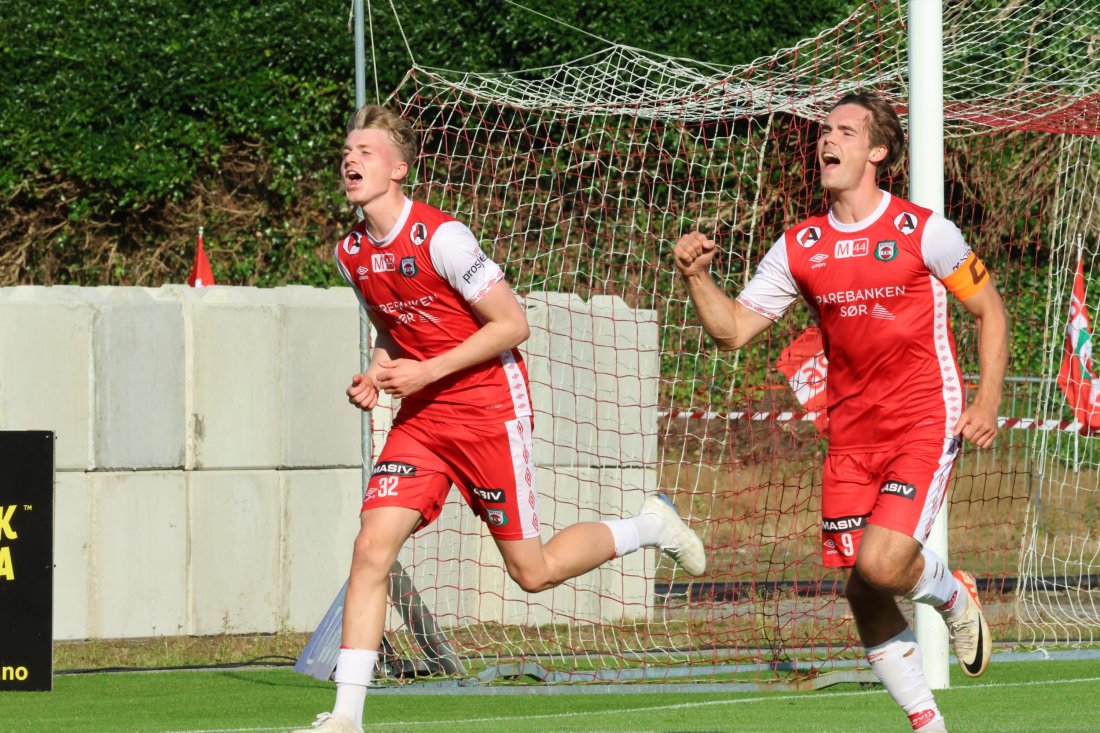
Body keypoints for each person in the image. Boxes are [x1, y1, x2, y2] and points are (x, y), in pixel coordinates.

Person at [292, 105, 706, 733]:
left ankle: (648, 527)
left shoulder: (442, 238)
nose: (351, 160)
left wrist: (427, 371)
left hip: (489, 410)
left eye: (367, 151)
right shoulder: (351, 253)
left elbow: (513, 325)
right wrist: (377, 374)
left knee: (531, 572)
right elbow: (394, 328)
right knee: (371, 547)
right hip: (423, 423)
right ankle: (348, 715)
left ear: (399, 169)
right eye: (347, 151)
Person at [673, 92, 1007, 733]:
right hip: (849, 435)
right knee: (861, 587)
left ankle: (949, 590)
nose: (828, 140)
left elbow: (989, 310)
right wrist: (696, 279)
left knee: (882, 566)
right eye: (825, 131)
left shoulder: (922, 231)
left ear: (877, 151)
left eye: (846, 132)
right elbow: (734, 331)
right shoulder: (799, 245)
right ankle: (928, 725)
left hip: (923, 418)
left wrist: (987, 400)